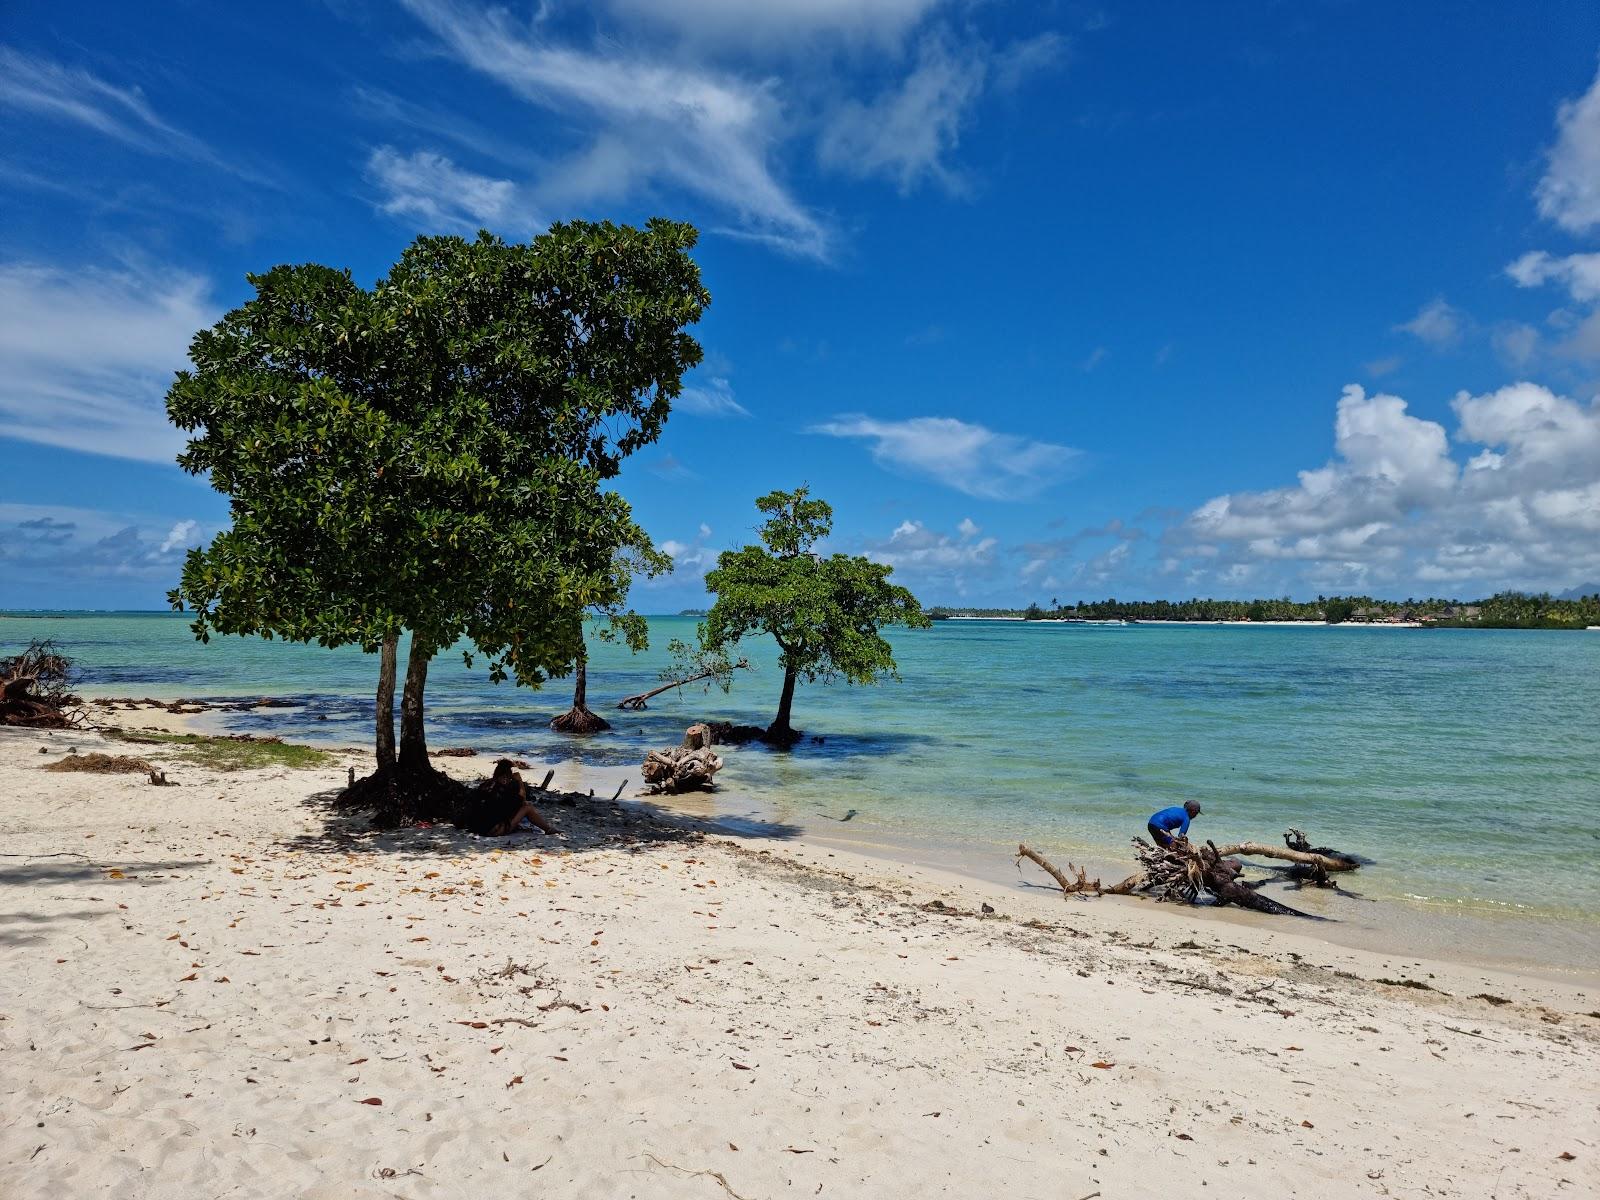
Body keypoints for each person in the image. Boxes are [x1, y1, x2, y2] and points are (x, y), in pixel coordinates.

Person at [466, 759, 559, 837]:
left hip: (478, 828)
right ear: (508, 776)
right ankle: (548, 829)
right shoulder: (505, 790)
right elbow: (523, 800)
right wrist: (519, 780)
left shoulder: (486, 785)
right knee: (528, 807)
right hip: (493, 830)